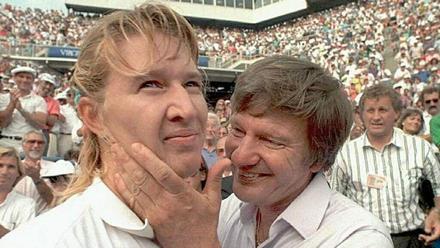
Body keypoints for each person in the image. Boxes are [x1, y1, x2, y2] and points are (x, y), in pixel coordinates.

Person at [0, 3, 229, 247]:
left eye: (191, 84)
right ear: (93, 116)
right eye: (151, 84)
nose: (187, 108)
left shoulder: (221, 224)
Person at [112, 56, 393, 247]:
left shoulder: (358, 239)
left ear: (318, 158)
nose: (240, 155)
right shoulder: (228, 210)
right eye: (237, 131)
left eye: (270, 140)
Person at [330, 83, 440, 247]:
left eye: (382, 110)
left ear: (396, 113)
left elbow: (438, 186)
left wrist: (436, 212)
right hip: (365, 241)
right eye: (370, 110)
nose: (376, 117)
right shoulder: (346, 155)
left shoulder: (419, 148)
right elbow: (336, 198)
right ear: (361, 114)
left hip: (412, 240)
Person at [0, 66, 47, 152]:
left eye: (28, 78)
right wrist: (11, 105)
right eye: (21, 76)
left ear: (33, 81)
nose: (24, 80)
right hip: (5, 143)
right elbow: (3, 124)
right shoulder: (3, 98)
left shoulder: (39, 100)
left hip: (28, 146)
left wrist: (22, 110)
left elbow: (40, 124)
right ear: (14, 78)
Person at [14, 130, 55, 214]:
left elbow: (54, 202)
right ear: (23, 145)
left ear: (45, 146)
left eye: (40, 143)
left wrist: (36, 178)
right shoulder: (11, 167)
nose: (36, 146)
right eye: (31, 142)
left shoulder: (55, 168)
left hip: (44, 217)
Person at [0, 146, 36, 237]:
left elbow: (24, 241)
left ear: (18, 173)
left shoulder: (26, 204)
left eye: (11, 167)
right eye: (0, 165)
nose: (4, 172)